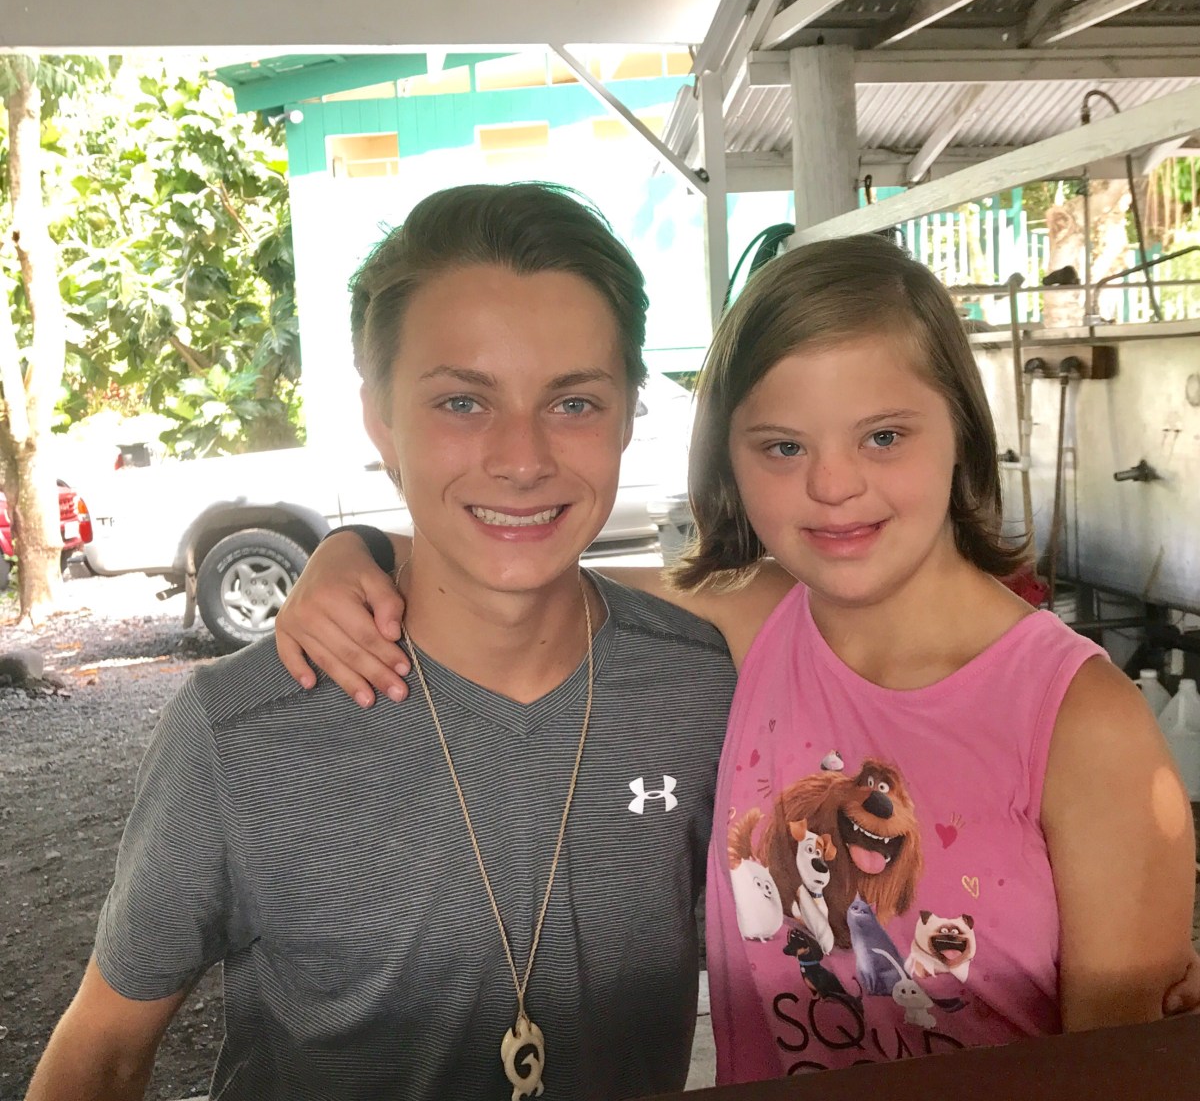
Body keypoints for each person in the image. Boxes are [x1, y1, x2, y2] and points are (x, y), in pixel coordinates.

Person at [275, 234, 1199, 1081]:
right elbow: (509, 575)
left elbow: (1120, 1076)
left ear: (961, 428)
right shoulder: (755, 622)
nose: (833, 484)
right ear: (729, 460)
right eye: (783, 447)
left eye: (884, 436)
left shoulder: (1082, 724)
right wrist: (354, 552)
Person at [25, 183, 737, 1101]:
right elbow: (103, 1052)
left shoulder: (704, 687)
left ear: (631, 412)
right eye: (462, 403)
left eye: (573, 403)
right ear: (379, 417)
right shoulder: (238, 729)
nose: (523, 459)